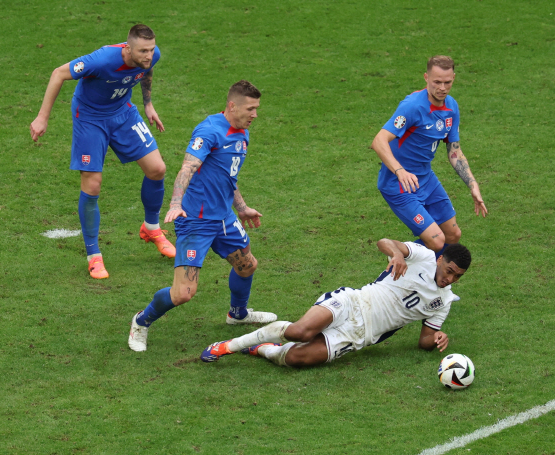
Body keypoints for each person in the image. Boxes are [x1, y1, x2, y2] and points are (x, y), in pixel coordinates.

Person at [128, 80, 277, 352]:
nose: (255, 114)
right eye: (251, 108)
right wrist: (175, 203)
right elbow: (187, 168)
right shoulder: (209, 131)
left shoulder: (242, 132)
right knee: (183, 294)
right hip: (196, 221)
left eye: (257, 109)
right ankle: (141, 321)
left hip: (224, 217)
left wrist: (241, 208)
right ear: (232, 106)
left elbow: (227, 176)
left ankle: (238, 314)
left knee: (247, 266)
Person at [30, 24, 175, 280]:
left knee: (157, 168)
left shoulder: (152, 56)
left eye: (151, 49)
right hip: (90, 118)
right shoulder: (101, 60)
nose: (148, 55)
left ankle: (151, 228)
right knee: (93, 184)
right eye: (142, 51)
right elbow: (58, 74)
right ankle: (94, 254)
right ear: (127, 48)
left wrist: (148, 104)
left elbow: (146, 72)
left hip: (123, 113)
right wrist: (42, 118)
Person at [200, 239, 471, 367]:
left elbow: (424, 340)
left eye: (457, 276)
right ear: (440, 260)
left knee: (295, 358)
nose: (450, 279)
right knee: (299, 332)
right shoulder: (422, 256)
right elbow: (385, 242)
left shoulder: (444, 302)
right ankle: (227, 347)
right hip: (353, 302)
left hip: (360, 336)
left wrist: (437, 337)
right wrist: (397, 254)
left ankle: (264, 349)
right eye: (449, 270)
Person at [371, 55, 487, 258]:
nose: (442, 87)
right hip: (399, 184)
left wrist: (473, 185)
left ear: (454, 78)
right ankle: (395, 252)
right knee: (436, 240)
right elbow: (378, 141)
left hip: (426, 178)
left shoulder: (452, 108)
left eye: (447, 82)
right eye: (437, 82)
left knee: (453, 235)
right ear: (426, 78)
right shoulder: (412, 106)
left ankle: (426, 281)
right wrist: (400, 171)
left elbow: (454, 151)